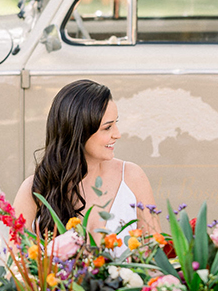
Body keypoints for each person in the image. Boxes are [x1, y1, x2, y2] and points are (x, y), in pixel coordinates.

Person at [13, 79, 160, 243]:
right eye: (107, 127)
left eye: (115, 124)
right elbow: (16, 262)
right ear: (78, 131)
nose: (117, 134)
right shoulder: (34, 190)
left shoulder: (133, 177)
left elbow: (155, 254)